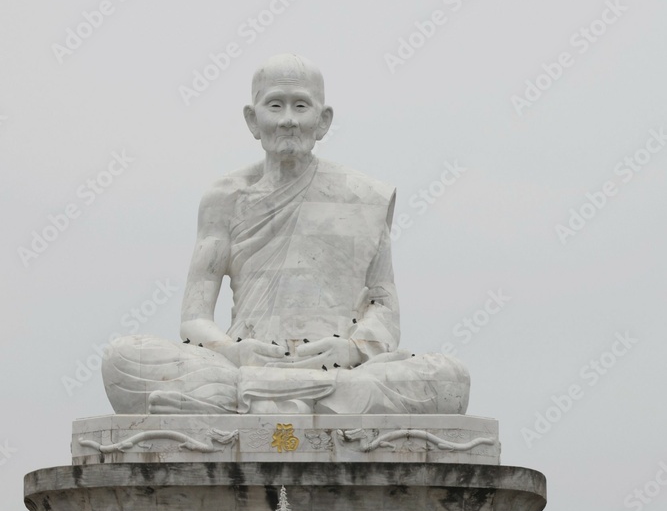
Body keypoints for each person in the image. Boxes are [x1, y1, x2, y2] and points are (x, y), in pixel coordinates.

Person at [102, 54, 469, 415]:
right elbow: (194, 319)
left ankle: (257, 400)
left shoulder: (364, 197)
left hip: (340, 367)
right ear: (252, 119)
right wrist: (233, 352)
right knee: (123, 357)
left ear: (323, 121)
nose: (289, 120)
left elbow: (384, 308)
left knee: (450, 379)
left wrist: (353, 349)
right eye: (275, 106)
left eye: (301, 106)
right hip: (244, 362)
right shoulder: (225, 199)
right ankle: (314, 400)